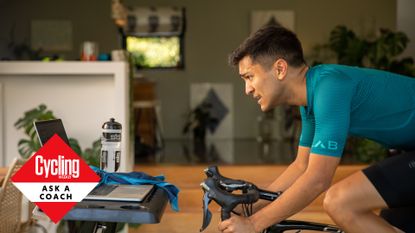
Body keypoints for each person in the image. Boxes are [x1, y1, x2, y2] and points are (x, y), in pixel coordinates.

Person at [219, 25, 415, 233]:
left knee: (341, 202)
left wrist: (253, 224)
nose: (247, 89)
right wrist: (248, 210)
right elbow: (301, 167)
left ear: (279, 69)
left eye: (249, 77)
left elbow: (317, 179)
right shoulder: (313, 97)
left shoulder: (329, 87)